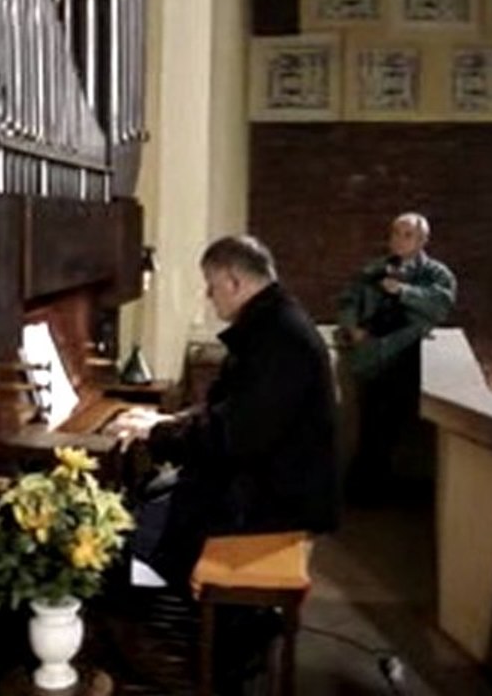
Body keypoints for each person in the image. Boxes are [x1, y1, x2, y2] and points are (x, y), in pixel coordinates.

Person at [126, 235, 340, 590]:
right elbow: (231, 409)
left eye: (211, 286)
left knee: (145, 522)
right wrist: (172, 422)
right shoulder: (273, 323)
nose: (209, 296)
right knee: (157, 495)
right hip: (271, 482)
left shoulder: (280, 338)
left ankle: (175, 612)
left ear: (233, 282)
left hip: (277, 500)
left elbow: (233, 435)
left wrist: (158, 433)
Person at [335, 212, 456, 504]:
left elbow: (440, 304)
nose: (399, 240)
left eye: (407, 235)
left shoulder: (435, 274)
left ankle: (383, 486)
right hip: (373, 357)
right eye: (395, 234)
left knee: (398, 427)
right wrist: (351, 327)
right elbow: (348, 299)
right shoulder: (374, 270)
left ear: (422, 240)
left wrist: (404, 291)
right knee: (370, 424)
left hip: (407, 358)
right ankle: (364, 490)